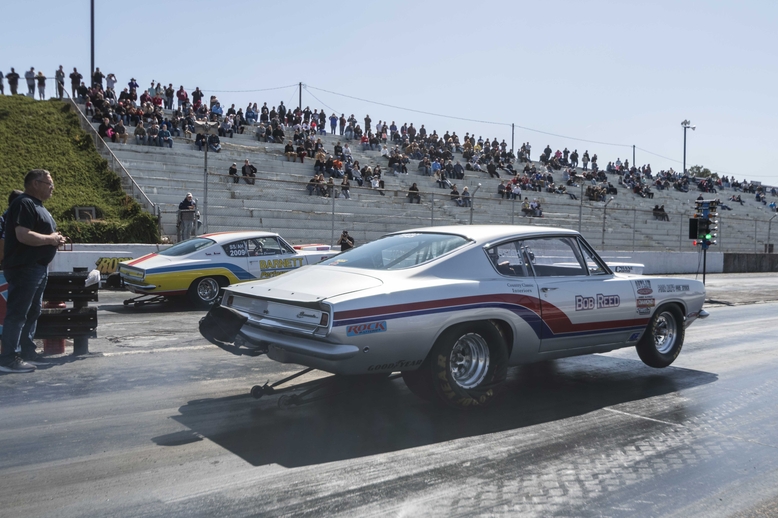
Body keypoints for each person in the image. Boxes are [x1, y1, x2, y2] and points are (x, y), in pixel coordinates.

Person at [0, 170, 67, 373]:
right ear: (35, 183)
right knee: (18, 313)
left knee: (32, 311)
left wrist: (55, 239)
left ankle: (26, 351)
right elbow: (23, 235)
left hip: (37, 267)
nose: (52, 188)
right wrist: (52, 240)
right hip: (25, 267)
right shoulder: (24, 203)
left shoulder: (38, 206)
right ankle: (9, 359)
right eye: (49, 184)